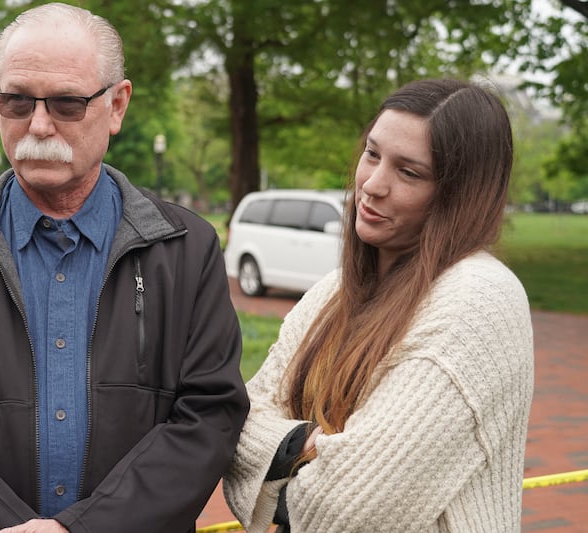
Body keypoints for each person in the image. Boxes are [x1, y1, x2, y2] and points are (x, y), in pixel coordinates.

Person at [0, 4, 248, 532]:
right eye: (16, 100)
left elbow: (208, 417)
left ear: (117, 105)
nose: (37, 124)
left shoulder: (186, 247)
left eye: (66, 103)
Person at [223, 79, 534, 532]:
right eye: (372, 154)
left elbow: (348, 509)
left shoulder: (479, 300)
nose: (372, 184)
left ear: (461, 195)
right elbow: (238, 415)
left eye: (409, 172)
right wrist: (298, 446)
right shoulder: (334, 291)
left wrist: (279, 459)